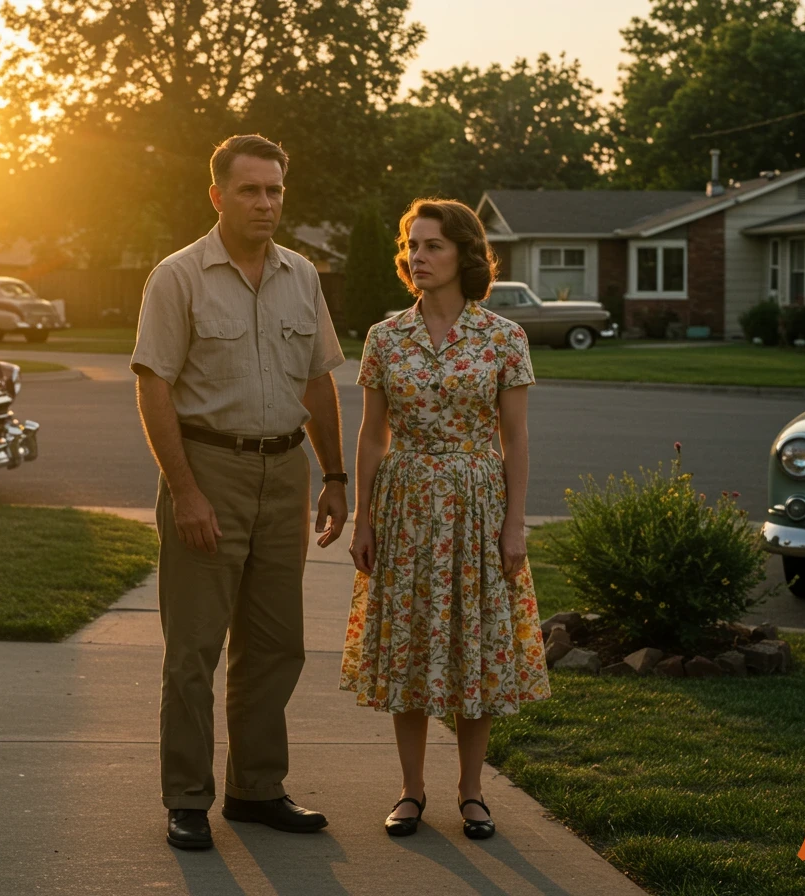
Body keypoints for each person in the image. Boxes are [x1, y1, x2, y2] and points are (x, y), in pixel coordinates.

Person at [131, 134, 349, 851]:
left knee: (277, 644)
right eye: (250, 190)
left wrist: (335, 476)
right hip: (208, 469)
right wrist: (185, 492)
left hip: (285, 473)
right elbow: (154, 387)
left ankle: (257, 788)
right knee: (193, 650)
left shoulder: (302, 276)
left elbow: (316, 380)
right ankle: (187, 797)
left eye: (275, 189)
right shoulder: (178, 277)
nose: (265, 203)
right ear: (217, 195)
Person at [340, 198, 551, 840]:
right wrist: (363, 519)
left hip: (477, 506)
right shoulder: (385, 337)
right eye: (412, 245)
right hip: (404, 507)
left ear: (464, 253)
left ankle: (471, 791)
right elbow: (372, 435)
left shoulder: (503, 337)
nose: (418, 257)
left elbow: (515, 438)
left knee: (472, 646)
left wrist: (514, 525)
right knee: (409, 645)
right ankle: (411, 790)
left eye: (433, 245)